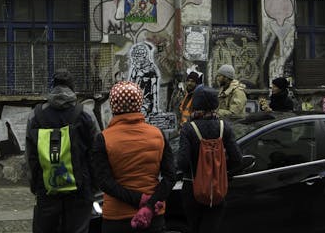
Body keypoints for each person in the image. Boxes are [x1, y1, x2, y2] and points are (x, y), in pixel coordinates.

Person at [91, 81, 175, 233]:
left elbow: (104, 182)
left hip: (117, 219)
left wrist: (139, 199)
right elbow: (170, 177)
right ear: (139, 103)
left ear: (112, 105)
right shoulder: (158, 135)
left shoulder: (103, 139)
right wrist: (150, 205)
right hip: (152, 218)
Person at [26, 69, 99, 233]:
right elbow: (97, 152)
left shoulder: (36, 116)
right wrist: (94, 186)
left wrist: (35, 185)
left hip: (47, 187)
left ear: (53, 87)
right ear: (72, 87)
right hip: (80, 188)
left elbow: (31, 156)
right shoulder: (85, 114)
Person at [176, 86, 242, 233]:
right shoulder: (224, 127)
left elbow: (182, 163)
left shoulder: (188, 129)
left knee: (195, 227)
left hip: (192, 189)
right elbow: (237, 159)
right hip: (218, 188)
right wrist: (220, 170)